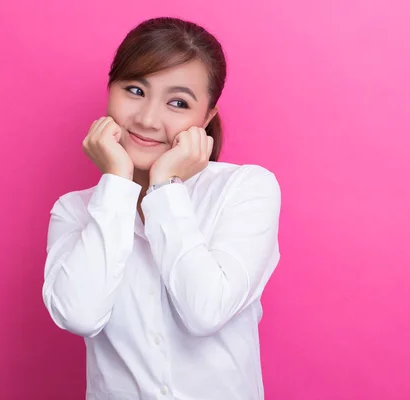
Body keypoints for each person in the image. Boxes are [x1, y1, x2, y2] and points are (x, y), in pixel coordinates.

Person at [42, 17, 281, 400]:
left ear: (205, 119)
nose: (148, 119)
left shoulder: (244, 189)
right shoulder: (74, 211)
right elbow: (79, 316)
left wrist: (165, 186)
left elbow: (206, 312)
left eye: (178, 102)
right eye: (135, 90)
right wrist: (117, 183)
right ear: (110, 90)